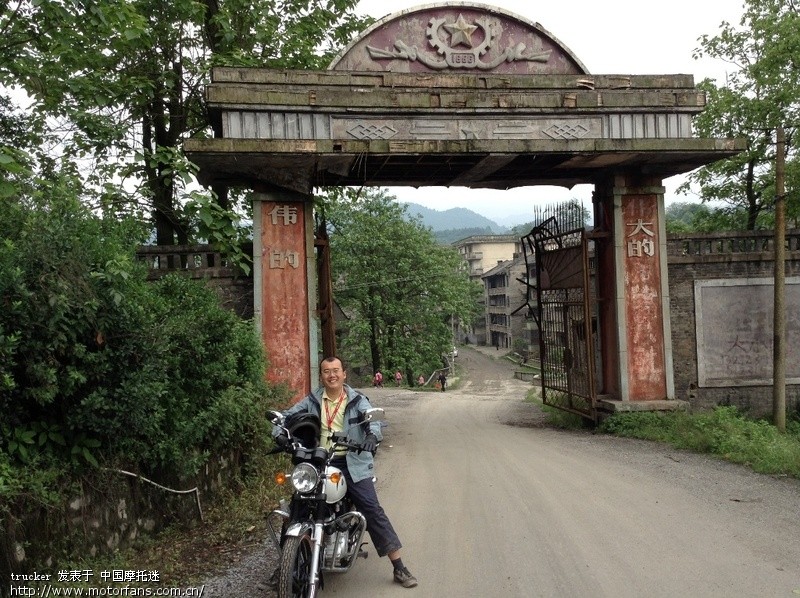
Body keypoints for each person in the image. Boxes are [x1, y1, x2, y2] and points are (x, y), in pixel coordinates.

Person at [273, 357, 418, 589]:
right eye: (326, 371)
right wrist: (279, 432)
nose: (332, 375)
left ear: (344, 374)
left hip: (352, 462)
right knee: (296, 507)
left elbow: (373, 421)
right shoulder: (312, 400)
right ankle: (285, 566)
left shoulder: (357, 399)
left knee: (371, 509)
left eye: (336, 371)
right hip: (319, 460)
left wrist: (371, 436)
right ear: (321, 376)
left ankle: (399, 566)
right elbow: (286, 416)